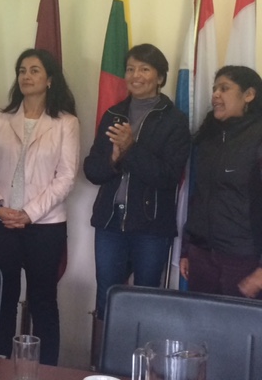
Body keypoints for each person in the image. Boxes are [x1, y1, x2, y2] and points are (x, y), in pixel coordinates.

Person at [83, 44, 189, 364]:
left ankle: (142, 366)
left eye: (144, 69)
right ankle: (105, 364)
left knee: (146, 297)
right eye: (130, 69)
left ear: (160, 77)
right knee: (107, 295)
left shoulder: (174, 120)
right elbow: (92, 171)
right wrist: (114, 159)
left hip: (151, 226)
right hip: (109, 222)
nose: (135, 75)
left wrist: (130, 149)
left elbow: (168, 177)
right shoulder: (113, 114)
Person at [0, 48, 79, 366]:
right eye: (22, 70)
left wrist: (29, 214)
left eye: (34, 70)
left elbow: (66, 177)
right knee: (3, 296)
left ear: (49, 79)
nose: (26, 76)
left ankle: (46, 368)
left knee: (42, 300)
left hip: (44, 226)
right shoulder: (2, 117)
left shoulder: (66, 122)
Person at [180, 65, 262, 300]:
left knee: (238, 323)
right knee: (201, 321)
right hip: (202, 255)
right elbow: (199, 197)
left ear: (249, 95)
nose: (215, 95)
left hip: (243, 260)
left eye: (224, 89)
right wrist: (188, 248)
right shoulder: (208, 137)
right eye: (214, 89)